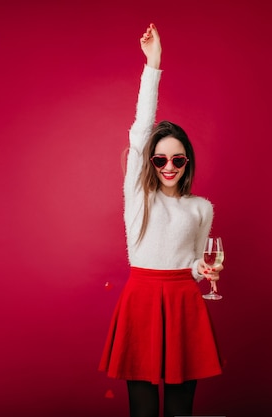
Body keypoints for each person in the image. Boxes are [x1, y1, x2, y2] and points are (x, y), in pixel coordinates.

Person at [98, 23, 224, 417]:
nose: (168, 166)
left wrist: (201, 268)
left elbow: (193, 264)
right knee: (143, 408)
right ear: (150, 162)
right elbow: (140, 131)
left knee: (181, 408)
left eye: (177, 159)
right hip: (142, 299)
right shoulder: (139, 197)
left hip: (185, 301)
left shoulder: (201, 207)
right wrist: (153, 65)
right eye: (160, 159)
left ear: (187, 162)